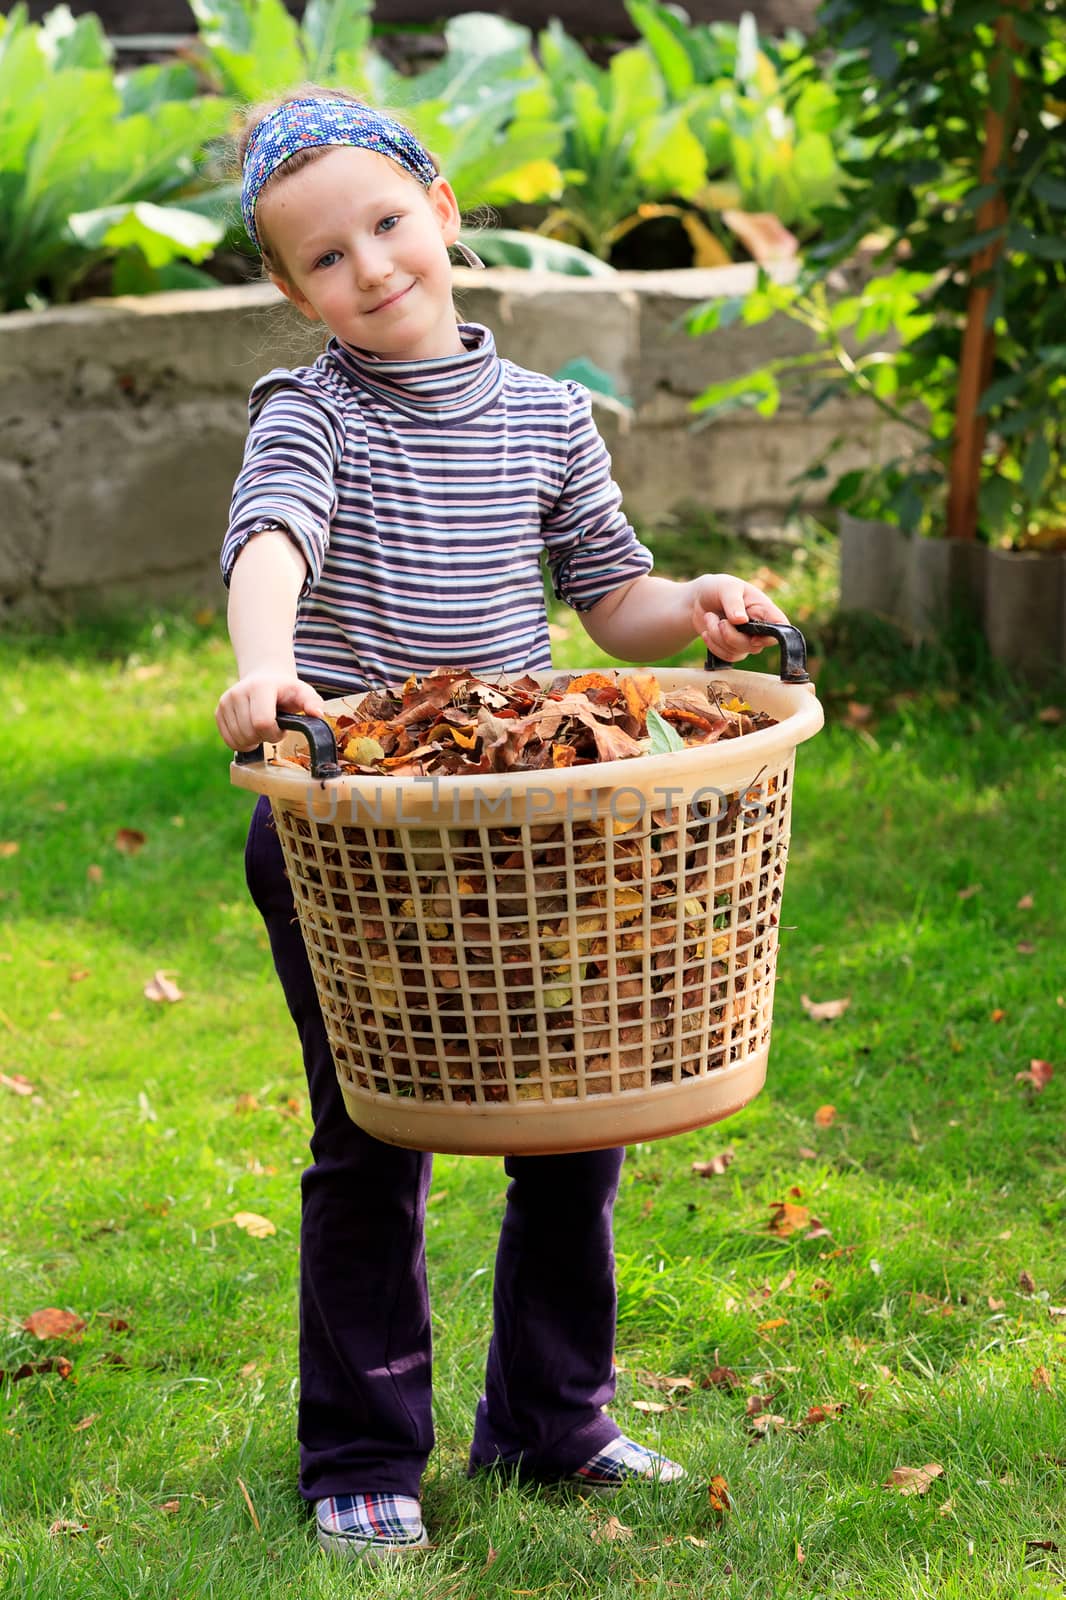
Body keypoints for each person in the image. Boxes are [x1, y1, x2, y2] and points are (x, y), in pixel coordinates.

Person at [215, 88, 790, 1563]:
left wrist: (700, 610)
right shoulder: (309, 415)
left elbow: (614, 601)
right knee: (370, 1132)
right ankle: (360, 1450)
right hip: (360, 832)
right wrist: (264, 667)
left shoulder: (545, 416)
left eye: (389, 226)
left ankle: (552, 1419)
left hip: (529, 834)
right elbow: (271, 539)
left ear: (444, 210)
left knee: (574, 1125)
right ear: (292, 292)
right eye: (326, 258)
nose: (372, 267)